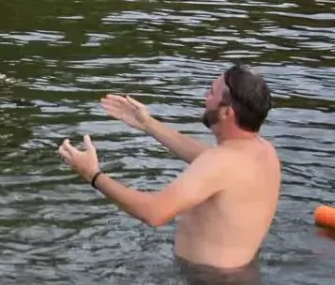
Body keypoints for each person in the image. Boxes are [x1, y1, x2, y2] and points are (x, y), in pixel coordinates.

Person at [57, 66, 281, 270]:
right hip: (240, 279)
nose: (205, 97)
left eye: (211, 92)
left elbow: (155, 213)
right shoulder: (263, 152)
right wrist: (148, 124)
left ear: (226, 112)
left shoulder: (220, 162)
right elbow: (207, 160)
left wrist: (93, 175)